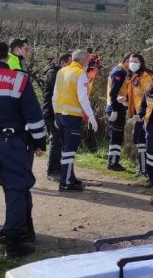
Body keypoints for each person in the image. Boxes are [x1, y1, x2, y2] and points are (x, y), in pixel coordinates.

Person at [0, 42, 47, 257]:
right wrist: (40, 142)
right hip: (11, 144)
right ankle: (14, 243)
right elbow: (34, 117)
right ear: (6, 56)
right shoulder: (19, 80)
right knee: (16, 190)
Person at [53, 49, 99, 192]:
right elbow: (83, 98)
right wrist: (91, 117)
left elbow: (55, 94)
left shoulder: (61, 71)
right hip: (72, 116)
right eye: (88, 61)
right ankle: (65, 182)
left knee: (65, 149)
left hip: (60, 115)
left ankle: (69, 177)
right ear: (84, 61)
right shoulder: (81, 74)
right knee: (69, 150)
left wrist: (55, 114)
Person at [42, 52, 72, 181]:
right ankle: (52, 171)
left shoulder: (60, 73)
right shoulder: (53, 73)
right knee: (56, 140)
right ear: (63, 63)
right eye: (70, 63)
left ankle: (57, 168)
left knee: (59, 141)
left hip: (59, 112)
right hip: (51, 112)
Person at [126, 53, 153, 177]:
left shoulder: (147, 77)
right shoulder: (134, 77)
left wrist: (143, 115)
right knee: (137, 140)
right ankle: (143, 168)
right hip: (138, 113)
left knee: (141, 140)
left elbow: (149, 98)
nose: (132, 63)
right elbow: (135, 96)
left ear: (141, 63)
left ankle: (145, 169)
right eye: (131, 61)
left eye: (135, 61)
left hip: (146, 114)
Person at [105, 53, 131, 171]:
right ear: (125, 61)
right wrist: (115, 109)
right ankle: (113, 162)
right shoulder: (119, 72)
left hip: (119, 107)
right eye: (131, 61)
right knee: (116, 136)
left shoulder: (123, 71)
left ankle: (113, 161)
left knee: (117, 136)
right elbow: (113, 93)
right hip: (115, 108)